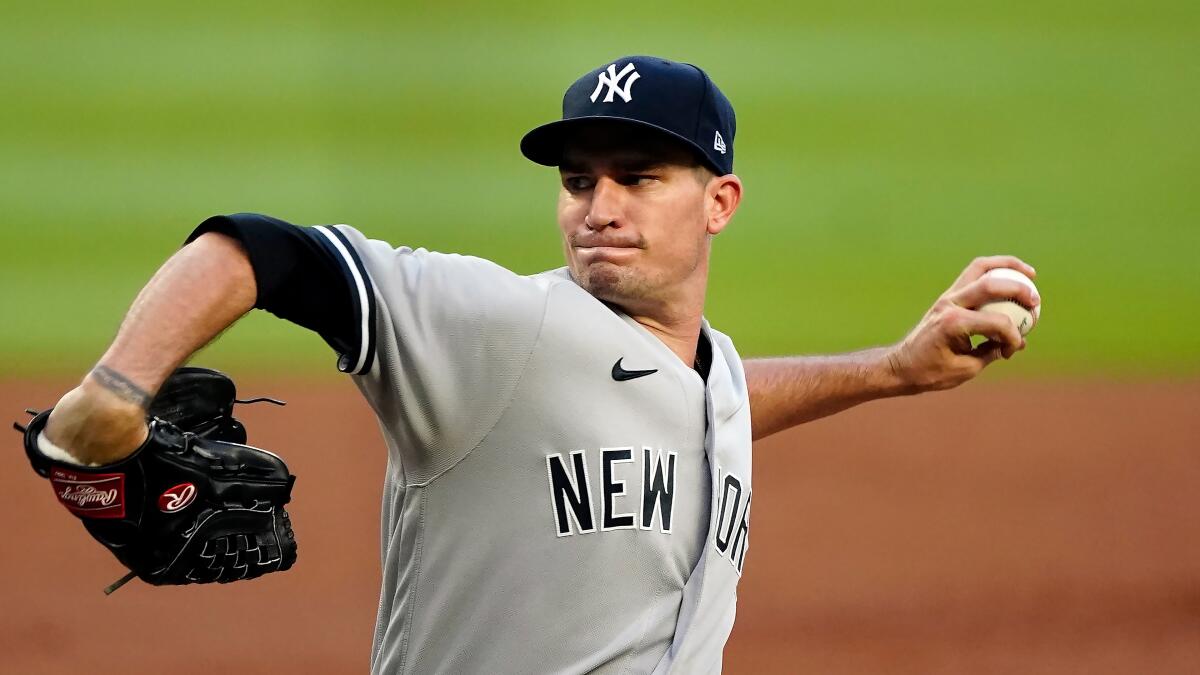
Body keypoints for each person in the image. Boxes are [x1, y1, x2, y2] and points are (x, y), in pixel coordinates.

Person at [34, 56, 1038, 673]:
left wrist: (893, 370)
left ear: (719, 202)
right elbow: (258, 250)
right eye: (577, 180)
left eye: (638, 178)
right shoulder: (495, 328)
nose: (598, 206)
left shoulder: (705, 373)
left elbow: (707, 405)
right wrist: (111, 400)